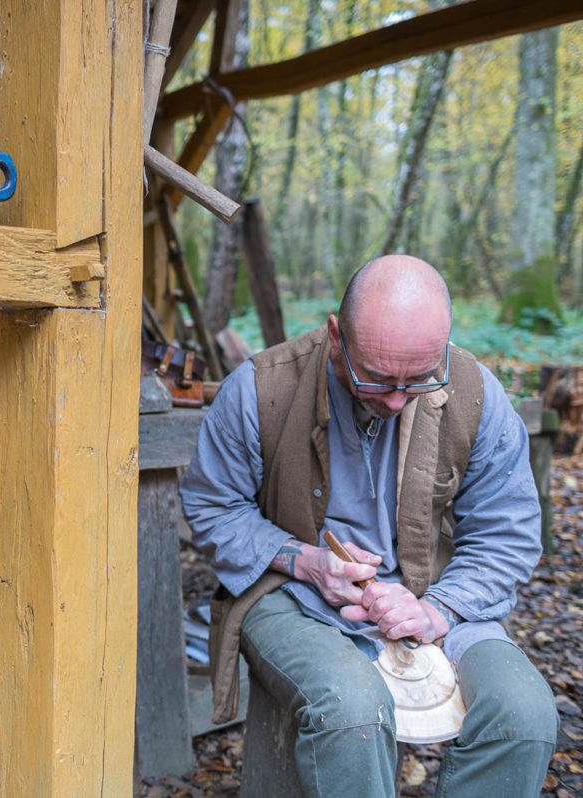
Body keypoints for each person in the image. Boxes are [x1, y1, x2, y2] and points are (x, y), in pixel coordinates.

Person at [179, 255, 558, 797]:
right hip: (292, 595)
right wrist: (305, 561)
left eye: (419, 379)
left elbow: (508, 534)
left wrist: (437, 609)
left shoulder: (475, 394)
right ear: (337, 336)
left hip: (440, 598)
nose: (398, 399)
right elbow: (213, 508)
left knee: (522, 717)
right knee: (351, 711)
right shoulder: (259, 389)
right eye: (377, 379)